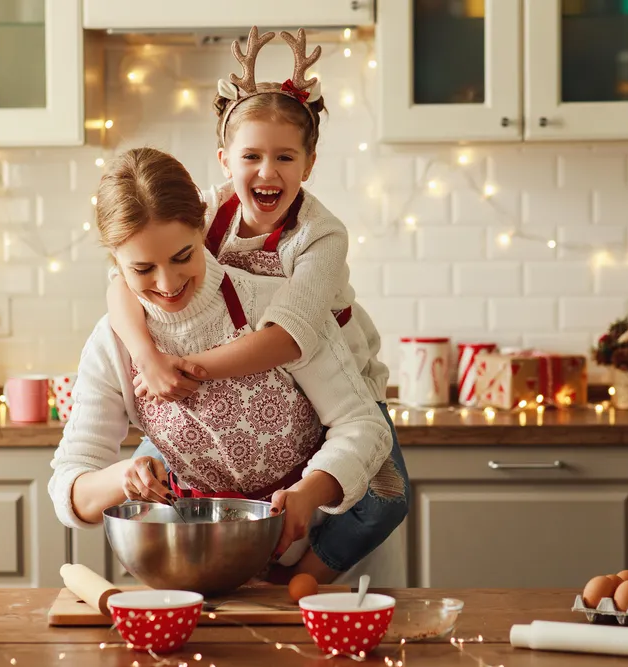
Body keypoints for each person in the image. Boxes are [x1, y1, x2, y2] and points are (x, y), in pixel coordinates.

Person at [104, 27, 410, 583]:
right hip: (212, 382)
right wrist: (148, 357)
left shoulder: (321, 237)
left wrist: (188, 370)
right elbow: (122, 281)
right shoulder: (203, 212)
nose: (267, 172)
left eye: (285, 157)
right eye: (251, 156)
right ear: (224, 160)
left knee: (386, 499)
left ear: (309, 164)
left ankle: (304, 577)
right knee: (164, 467)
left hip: (331, 374)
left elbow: (289, 337)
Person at [49, 148, 395, 583]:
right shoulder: (112, 343)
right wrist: (125, 477)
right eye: (142, 269)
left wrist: (311, 492)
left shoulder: (274, 305)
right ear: (115, 263)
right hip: (198, 572)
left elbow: (363, 425)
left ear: (203, 226)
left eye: (181, 257)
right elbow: (70, 487)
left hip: (325, 574)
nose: (168, 283)